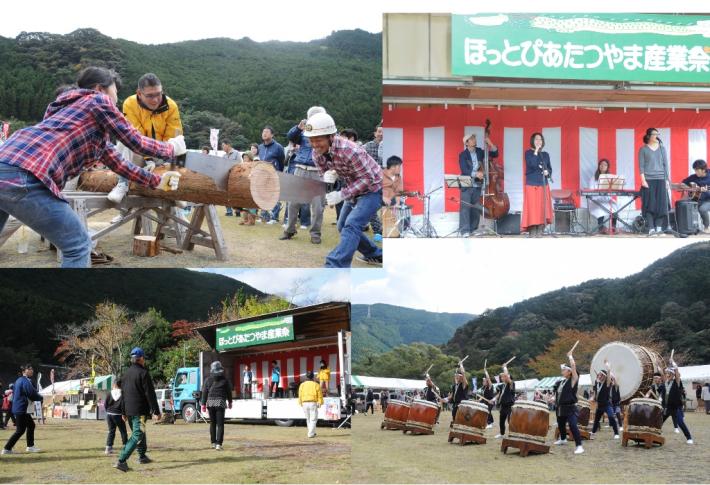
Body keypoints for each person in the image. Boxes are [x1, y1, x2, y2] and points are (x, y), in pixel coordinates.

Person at [0, 67, 185, 268]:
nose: (116, 98)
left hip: (7, 164)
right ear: (100, 89)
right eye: (115, 91)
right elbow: (135, 141)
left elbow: (122, 165)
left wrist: (157, 181)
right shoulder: (97, 99)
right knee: (78, 245)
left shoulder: (73, 117)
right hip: (25, 174)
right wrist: (171, 147)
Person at [305, 112, 383, 267]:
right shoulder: (317, 153)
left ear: (331, 136)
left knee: (352, 224)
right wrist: (329, 180)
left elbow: (367, 179)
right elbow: (325, 177)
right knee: (342, 226)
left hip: (374, 188)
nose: (314, 144)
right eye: (311, 140)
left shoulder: (350, 150)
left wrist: (341, 194)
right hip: (352, 187)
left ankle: (335, 265)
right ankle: (375, 254)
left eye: (318, 140)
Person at [108, 72, 184, 203]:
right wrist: (149, 159)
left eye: (158, 94)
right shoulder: (130, 103)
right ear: (139, 93)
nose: (155, 100)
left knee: (179, 141)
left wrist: (165, 159)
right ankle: (123, 183)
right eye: (150, 96)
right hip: (138, 153)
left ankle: (174, 189)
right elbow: (135, 137)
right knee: (123, 140)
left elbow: (172, 135)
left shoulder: (171, 105)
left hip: (162, 153)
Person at [280, 107, 327, 244]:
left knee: (317, 206)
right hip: (299, 168)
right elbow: (291, 137)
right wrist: (298, 128)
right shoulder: (305, 131)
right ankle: (289, 230)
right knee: (292, 203)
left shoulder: (326, 133)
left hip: (317, 170)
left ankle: (315, 233)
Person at [113, 347, 161, 472]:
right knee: (137, 434)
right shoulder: (143, 373)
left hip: (129, 411)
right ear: (141, 359)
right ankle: (121, 460)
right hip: (140, 411)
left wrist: (123, 411)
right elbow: (150, 394)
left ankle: (142, 456)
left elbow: (123, 395)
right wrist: (156, 411)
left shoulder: (126, 374)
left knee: (141, 432)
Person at [458, 132, 499, 237]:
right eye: (472, 139)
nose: (474, 140)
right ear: (467, 143)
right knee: (465, 208)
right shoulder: (463, 155)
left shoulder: (480, 151)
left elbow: (494, 154)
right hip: (467, 185)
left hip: (477, 184)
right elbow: (464, 170)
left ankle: (473, 229)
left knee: (476, 208)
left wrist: (490, 143)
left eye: (474, 139)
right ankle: (464, 231)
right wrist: (476, 173)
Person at [2, 365, 43, 454]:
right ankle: (7, 449)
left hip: (20, 408)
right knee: (20, 430)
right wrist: (40, 397)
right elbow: (31, 393)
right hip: (22, 408)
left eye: (32, 369)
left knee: (31, 425)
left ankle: (30, 446)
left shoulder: (19, 380)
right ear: (24, 371)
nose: (32, 370)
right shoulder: (25, 380)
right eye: (29, 369)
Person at [551, 352, 585, 454]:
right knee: (561, 424)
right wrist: (554, 398)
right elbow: (559, 394)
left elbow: (573, 366)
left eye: (564, 370)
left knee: (572, 425)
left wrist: (570, 356)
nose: (562, 371)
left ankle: (579, 446)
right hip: (561, 407)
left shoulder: (573, 380)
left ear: (570, 372)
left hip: (570, 407)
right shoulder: (562, 382)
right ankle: (563, 439)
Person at [639, 127, 670, 236]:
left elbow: (666, 166)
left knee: (661, 205)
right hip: (649, 180)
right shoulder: (643, 149)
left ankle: (659, 228)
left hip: (661, 179)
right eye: (654, 134)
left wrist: (667, 180)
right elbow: (641, 166)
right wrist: (643, 180)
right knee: (650, 204)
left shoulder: (662, 149)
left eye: (657, 134)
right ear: (648, 136)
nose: (657, 136)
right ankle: (651, 228)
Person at [200, 361, 233, 451]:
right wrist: (230, 402)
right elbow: (228, 392)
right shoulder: (225, 380)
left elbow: (204, 393)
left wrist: (203, 404)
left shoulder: (207, 380)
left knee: (212, 423)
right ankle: (219, 444)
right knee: (220, 424)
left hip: (210, 403)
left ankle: (213, 442)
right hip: (220, 402)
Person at [258, 126, 285, 224]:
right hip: (262, 175)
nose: (264, 133)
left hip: (274, 174)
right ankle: (264, 216)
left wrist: (279, 172)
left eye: (267, 132)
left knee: (274, 196)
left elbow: (282, 161)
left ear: (272, 135)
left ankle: (274, 217)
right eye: (263, 131)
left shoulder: (278, 147)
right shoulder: (260, 147)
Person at [663, 362, 693, 444]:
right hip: (667, 407)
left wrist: (674, 364)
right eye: (667, 374)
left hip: (676, 407)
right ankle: (653, 435)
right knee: (659, 421)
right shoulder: (665, 383)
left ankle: (689, 437)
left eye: (669, 374)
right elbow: (663, 374)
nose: (667, 375)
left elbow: (677, 375)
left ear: (673, 375)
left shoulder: (677, 382)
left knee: (680, 422)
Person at [589, 362, 620, 440]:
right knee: (596, 420)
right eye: (599, 374)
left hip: (607, 404)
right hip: (599, 405)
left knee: (611, 417)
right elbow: (595, 392)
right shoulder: (596, 383)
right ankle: (593, 433)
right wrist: (593, 397)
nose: (599, 376)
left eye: (601, 375)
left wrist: (608, 369)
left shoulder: (607, 383)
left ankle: (616, 433)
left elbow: (609, 378)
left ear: (604, 377)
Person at [589, 158, 618, 234]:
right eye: (601, 164)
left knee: (615, 206)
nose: (603, 166)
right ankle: (600, 228)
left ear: (607, 167)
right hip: (596, 200)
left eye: (605, 165)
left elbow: (613, 189)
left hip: (606, 199)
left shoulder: (610, 178)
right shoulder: (593, 178)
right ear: (599, 166)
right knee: (600, 207)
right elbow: (591, 191)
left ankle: (613, 227)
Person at [680, 159, 710, 233]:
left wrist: (705, 189)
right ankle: (689, 228)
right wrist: (691, 189)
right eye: (695, 170)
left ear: (703, 170)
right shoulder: (693, 177)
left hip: (708, 200)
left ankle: (707, 227)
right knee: (685, 206)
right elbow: (682, 183)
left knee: (702, 209)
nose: (695, 172)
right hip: (696, 199)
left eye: (697, 170)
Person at [104, 377, 127, 455]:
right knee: (123, 431)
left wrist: (108, 411)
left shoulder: (109, 393)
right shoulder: (123, 393)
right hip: (119, 415)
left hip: (109, 414)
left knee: (111, 431)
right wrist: (124, 414)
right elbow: (124, 405)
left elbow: (105, 404)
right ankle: (126, 446)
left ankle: (108, 448)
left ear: (114, 384)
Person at [298, 371, 323, 438]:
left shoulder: (302, 385)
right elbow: (320, 395)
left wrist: (300, 402)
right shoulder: (316, 384)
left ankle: (311, 432)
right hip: (313, 403)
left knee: (308, 419)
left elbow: (299, 395)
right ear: (313, 376)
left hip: (304, 403)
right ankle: (311, 433)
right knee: (313, 419)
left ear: (306, 376)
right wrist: (320, 402)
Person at [221, 141, 242, 216]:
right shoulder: (223, 156)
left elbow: (240, 165)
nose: (222, 147)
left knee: (236, 195)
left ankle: (238, 211)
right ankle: (229, 211)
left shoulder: (236, 153)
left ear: (228, 145)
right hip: (226, 178)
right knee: (226, 195)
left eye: (223, 145)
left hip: (235, 177)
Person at [495, 364, 515, 438]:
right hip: (503, 405)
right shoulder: (502, 386)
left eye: (504, 376)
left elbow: (506, 376)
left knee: (510, 420)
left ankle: (512, 434)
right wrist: (494, 399)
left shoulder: (511, 384)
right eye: (502, 377)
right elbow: (499, 394)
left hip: (509, 405)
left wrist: (505, 368)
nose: (502, 378)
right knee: (501, 420)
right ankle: (502, 434)